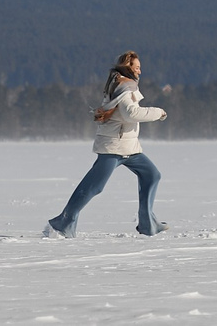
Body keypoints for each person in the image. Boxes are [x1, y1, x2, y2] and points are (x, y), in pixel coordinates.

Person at [44, 51, 168, 237]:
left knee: (151, 175)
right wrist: (158, 112)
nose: (140, 71)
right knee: (94, 185)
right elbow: (131, 114)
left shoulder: (120, 84)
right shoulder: (126, 88)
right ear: (128, 68)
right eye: (137, 67)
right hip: (114, 147)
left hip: (129, 147)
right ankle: (63, 222)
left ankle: (147, 224)